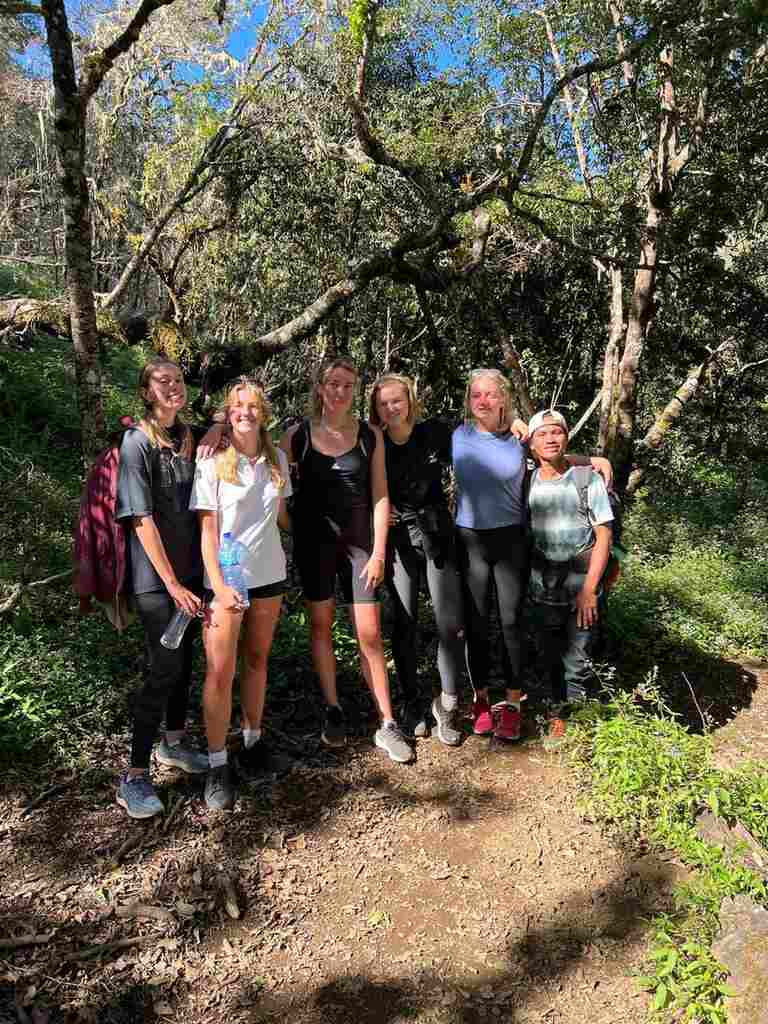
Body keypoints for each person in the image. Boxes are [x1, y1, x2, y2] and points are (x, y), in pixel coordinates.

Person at [453, 368, 612, 743]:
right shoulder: (457, 435)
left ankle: (517, 705)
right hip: (475, 542)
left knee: (516, 625)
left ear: (503, 399)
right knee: (481, 624)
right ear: (468, 399)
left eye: (492, 394)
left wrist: (591, 459)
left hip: (519, 547)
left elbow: (551, 453)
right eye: (476, 394)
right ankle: (481, 700)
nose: (484, 400)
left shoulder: (518, 438)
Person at [280, 358, 412, 763]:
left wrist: (379, 552)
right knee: (320, 625)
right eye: (333, 384)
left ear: (355, 391)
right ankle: (333, 709)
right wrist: (292, 529)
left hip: (360, 549)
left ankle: (387, 721)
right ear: (320, 388)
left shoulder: (370, 435)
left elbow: (380, 496)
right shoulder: (297, 435)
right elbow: (272, 481)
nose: (340, 392)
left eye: (348, 385)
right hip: (314, 547)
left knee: (369, 633)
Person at [191, 380, 291, 811]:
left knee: (256, 660)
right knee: (219, 672)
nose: (245, 413)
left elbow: (282, 518)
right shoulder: (212, 460)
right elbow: (207, 531)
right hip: (226, 582)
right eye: (237, 406)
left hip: (269, 575)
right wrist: (218, 586)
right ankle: (217, 763)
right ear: (227, 413)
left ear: (263, 413)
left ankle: (252, 741)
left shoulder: (277, 459)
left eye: (253, 406)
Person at [115, 357, 208, 819]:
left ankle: (173, 743)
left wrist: (215, 428)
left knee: (184, 663)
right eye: (163, 381)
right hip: (156, 582)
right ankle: (133, 775)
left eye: (178, 380)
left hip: (191, 576)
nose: (173, 387)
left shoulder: (188, 435)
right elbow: (140, 519)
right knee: (163, 668)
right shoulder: (137, 443)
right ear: (147, 391)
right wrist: (172, 584)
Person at [525, 410, 613, 747]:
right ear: (532, 445)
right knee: (550, 653)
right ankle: (558, 715)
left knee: (577, 658)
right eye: (542, 434)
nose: (550, 439)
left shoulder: (587, 480)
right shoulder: (527, 482)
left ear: (567, 437)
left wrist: (590, 590)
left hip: (581, 583)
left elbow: (604, 535)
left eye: (557, 432)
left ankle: (577, 722)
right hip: (542, 585)